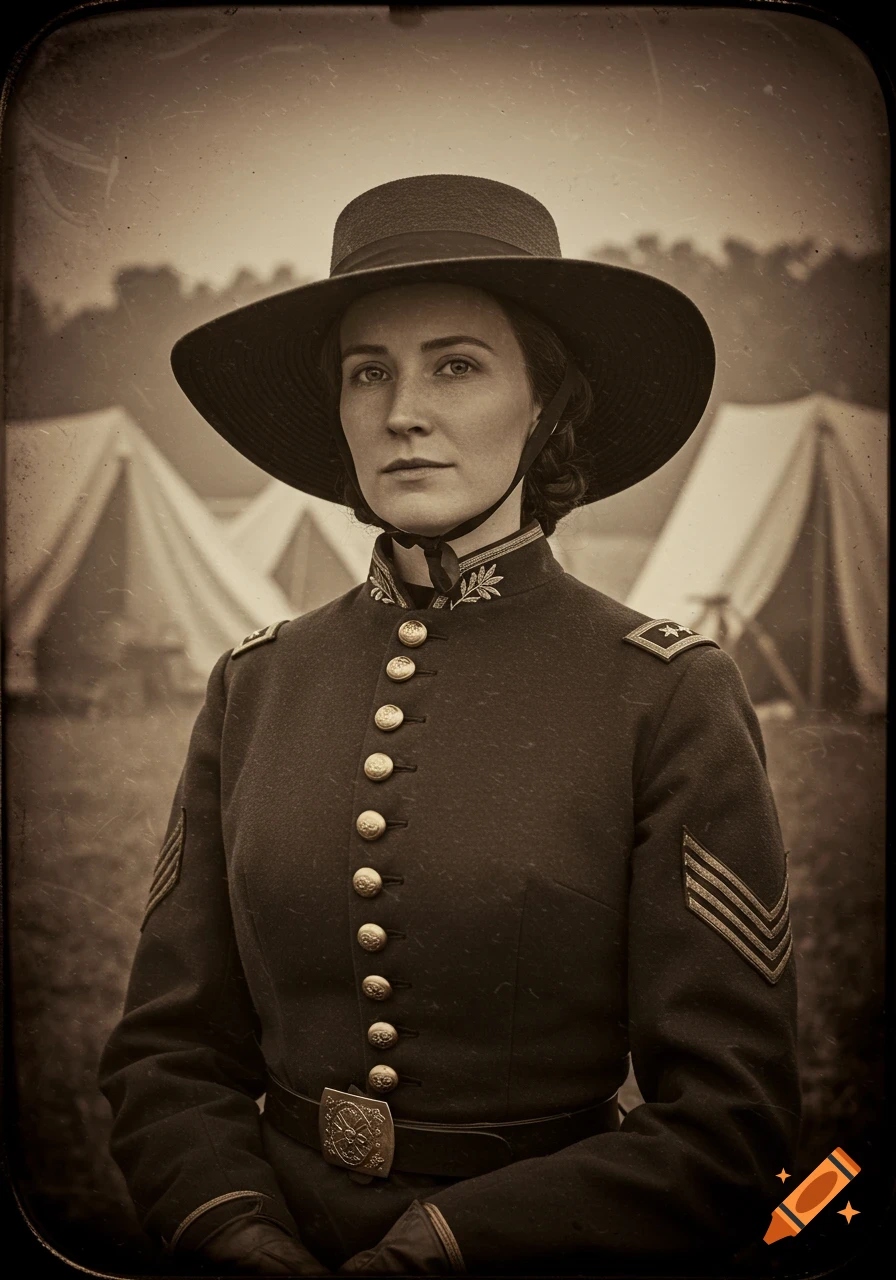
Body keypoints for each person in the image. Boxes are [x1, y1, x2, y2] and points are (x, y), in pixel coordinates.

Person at [99, 174, 800, 1277]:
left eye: (456, 365)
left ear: (547, 404)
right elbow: (165, 1052)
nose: (400, 409)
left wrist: (441, 1247)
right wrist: (230, 1223)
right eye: (364, 371)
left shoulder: (666, 692)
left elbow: (731, 1120)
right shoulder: (256, 682)